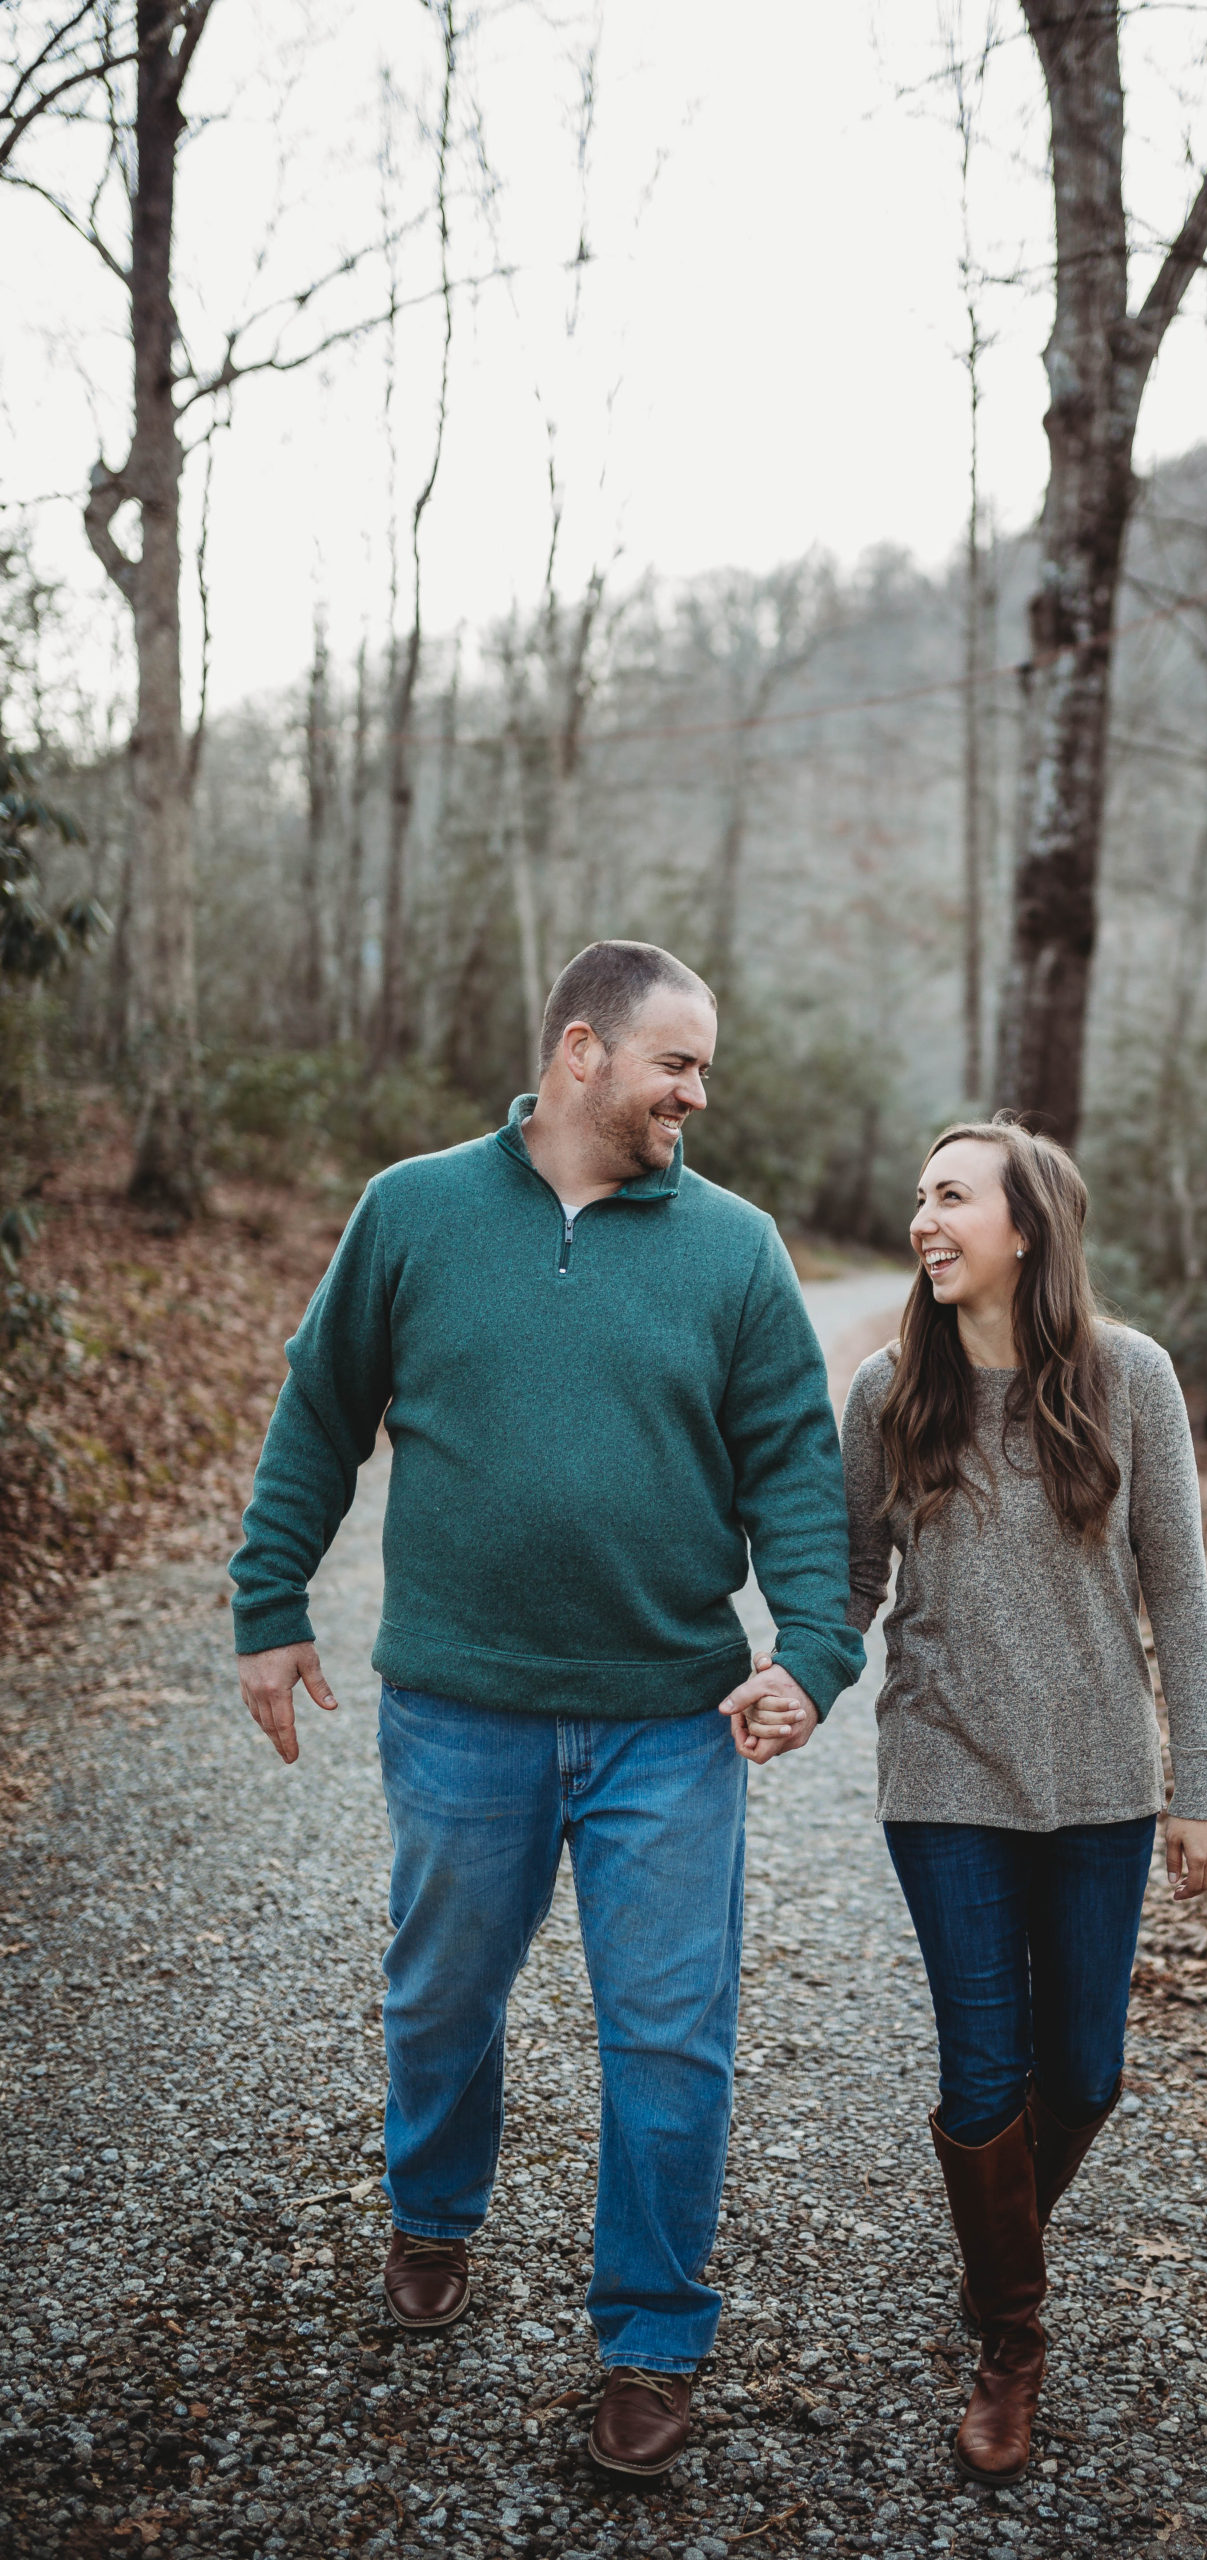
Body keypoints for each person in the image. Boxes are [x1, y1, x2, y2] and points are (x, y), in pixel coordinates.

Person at [230, 940, 862, 2482]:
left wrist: (813, 1651)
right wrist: (269, 1604)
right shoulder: (415, 1210)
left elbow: (793, 1466)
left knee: (671, 2036)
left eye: (704, 1069)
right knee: (439, 1996)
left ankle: (650, 2338)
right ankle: (433, 2212)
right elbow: (323, 1411)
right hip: (461, 1708)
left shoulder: (735, 1249)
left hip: (668, 1719)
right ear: (583, 1052)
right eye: (678, 1064)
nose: (698, 1096)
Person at [838, 1117, 1207, 2487]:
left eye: (950, 1197)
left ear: (1026, 1227)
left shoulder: (1132, 1381)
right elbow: (849, 1582)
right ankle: (1012, 2336)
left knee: (1088, 2070)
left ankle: (996, 2244)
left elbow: (1178, 1592)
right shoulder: (890, 1391)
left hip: (1107, 1784)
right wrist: (784, 1681)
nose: (921, 1221)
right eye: (919, 1200)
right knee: (984, 2067)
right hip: (943, 1774)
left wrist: (1199, 1788)